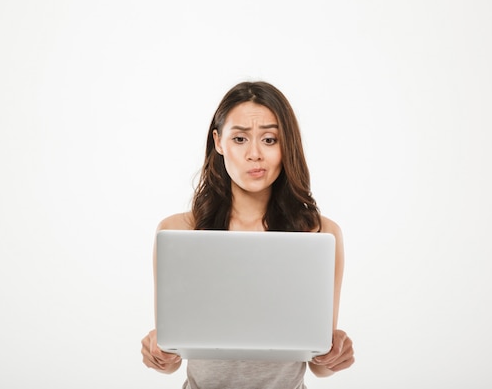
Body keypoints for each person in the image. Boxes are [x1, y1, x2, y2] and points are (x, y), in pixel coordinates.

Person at [141, 81, 354, 388]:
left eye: (269, 139)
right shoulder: (178, 232)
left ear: (287, 145)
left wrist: (333, 355)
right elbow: (171, 356)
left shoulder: (320, 234)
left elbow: (318, 362)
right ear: (218, 142)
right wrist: (159, 353)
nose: (255, 154)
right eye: (240, 138)